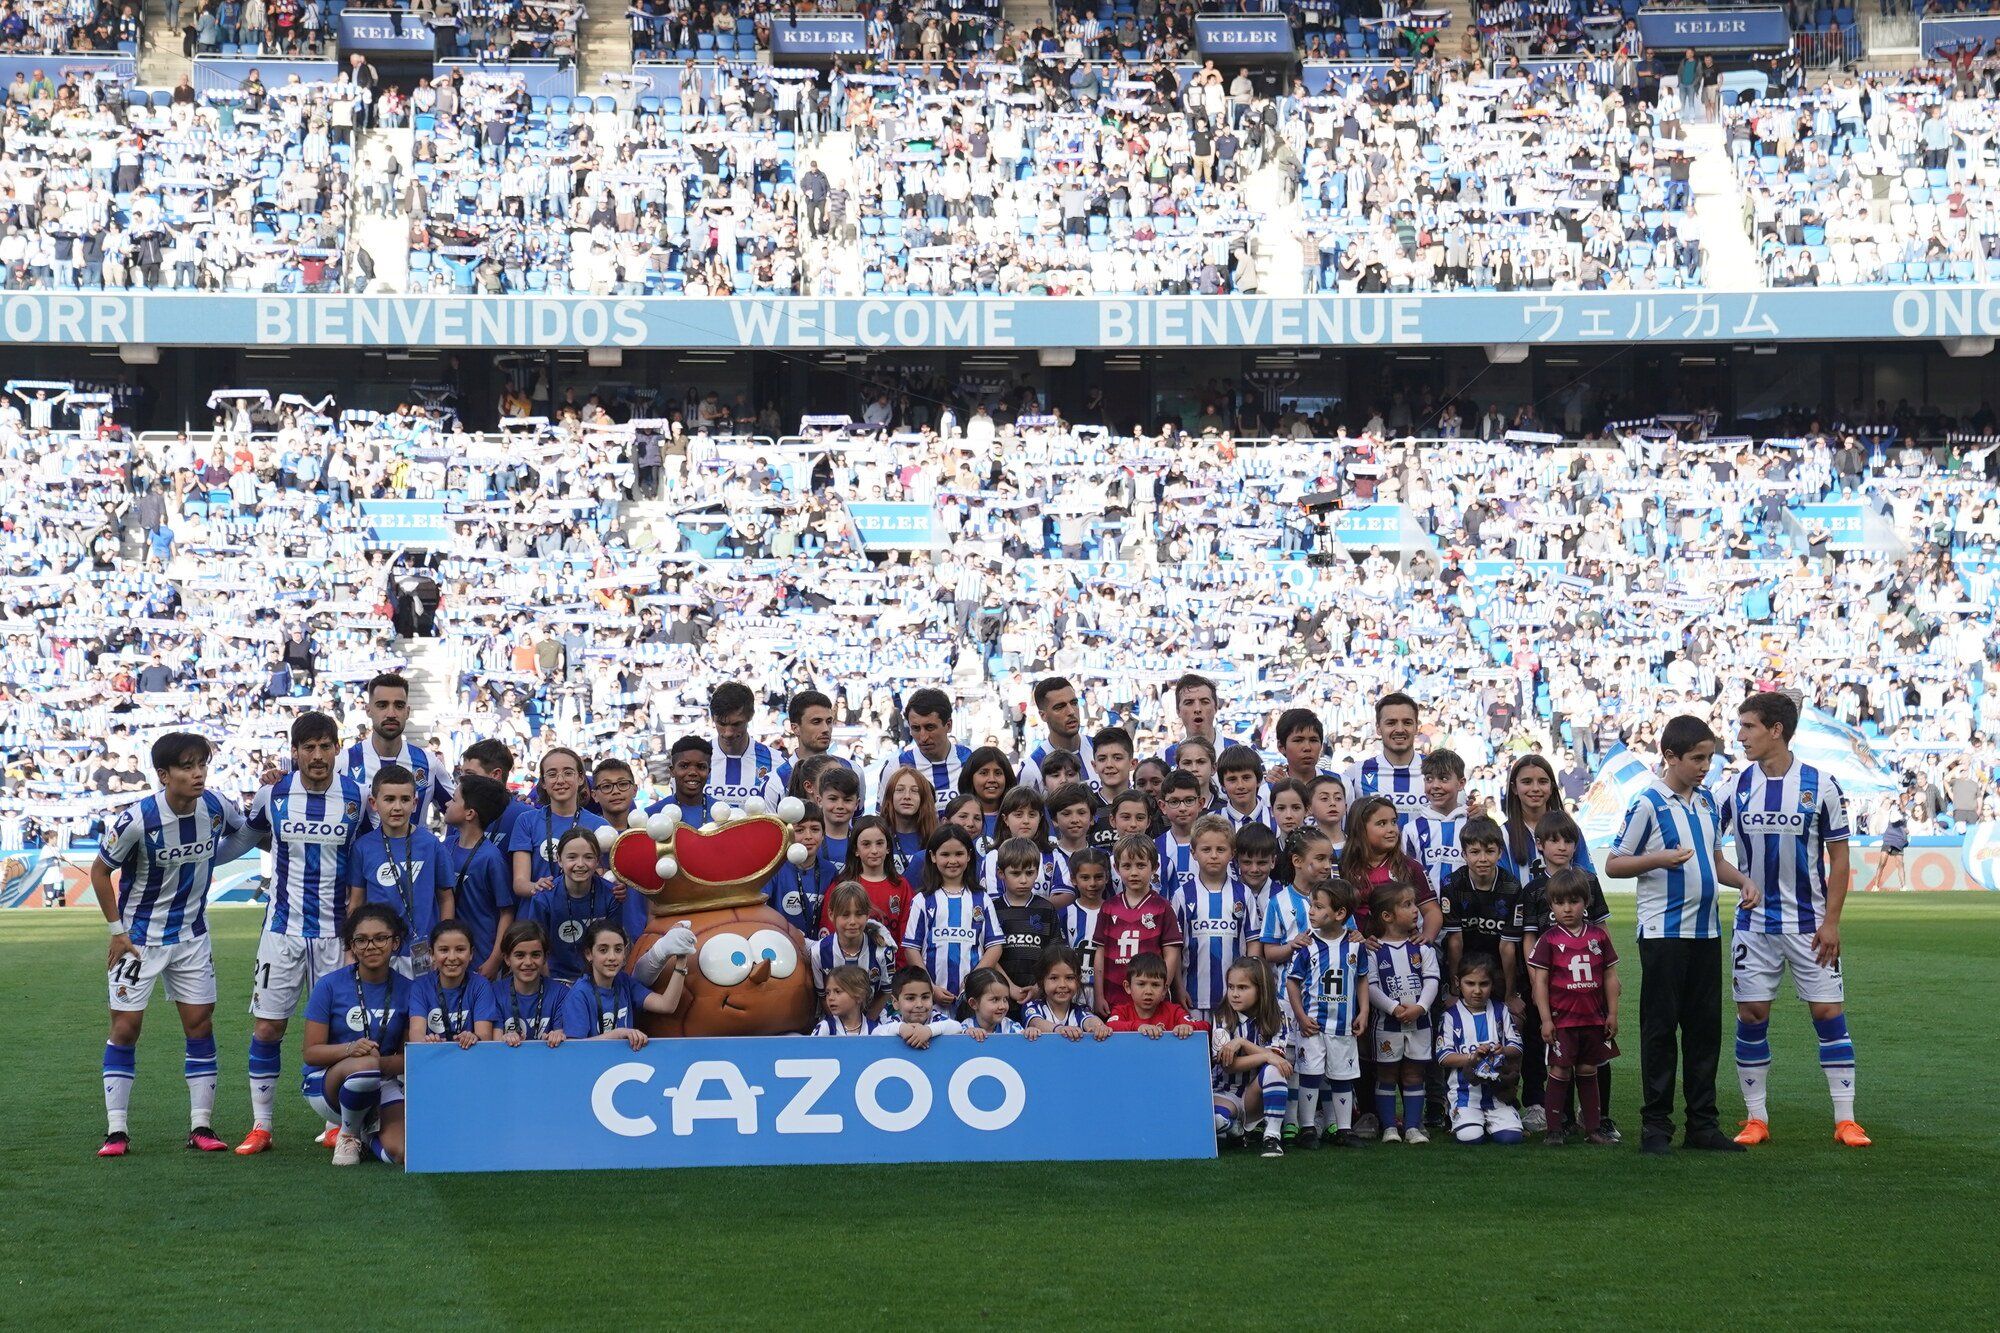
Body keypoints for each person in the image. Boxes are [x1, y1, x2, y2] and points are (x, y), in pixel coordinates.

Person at [93, 731, 257, 1158]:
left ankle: (201, 1127)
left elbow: (246, 835)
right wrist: (117, 931)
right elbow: (99, 872)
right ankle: (116, 1132)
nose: (198, 773)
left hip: (191, 937)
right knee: (125, 1028)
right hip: (138, 942)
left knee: (200, 1025)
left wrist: (209, 859)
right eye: (187, 766)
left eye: (202, 764)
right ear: (164, 775)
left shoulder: (217, 806)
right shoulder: (137, 820)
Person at [1721, 691, 1869, 1148]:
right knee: (1751, 1014)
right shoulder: (1735, 787)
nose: (1740, 735)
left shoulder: (1822, 785)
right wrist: (1740, 880)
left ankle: (1846, 1120)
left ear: (1776, 730)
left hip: (1810, 925)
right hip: (1754, 927)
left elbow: (1840, 859)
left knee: (1828, 1013)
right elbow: (1709, 850)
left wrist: (1832, 921)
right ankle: (1756, 1118)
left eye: (1748, 726)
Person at [1606, 714, 1757, 1156]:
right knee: (1659, 1031)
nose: (1705, 766)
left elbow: (1714, 860)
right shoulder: (1647, 802)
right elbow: (1615, 863)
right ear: (1669, 756)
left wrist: (1742, 881)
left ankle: (1702, 1125)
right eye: (1697, 758)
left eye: (1709, 758)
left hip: (1706, 933)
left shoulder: (1708, 802)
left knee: (1703, 1031)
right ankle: (1655, 1127)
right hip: (1662, 935)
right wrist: (1659, 859)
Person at [301, 903, 411, 1166]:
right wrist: (351, 1050)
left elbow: (410, 1056)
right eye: (360, 940)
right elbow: (311, 1053)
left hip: (380, 1078)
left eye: (380, 938)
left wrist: (376, 1064)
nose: (370, 946)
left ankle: (365, 1134)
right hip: (328, 1084)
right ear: (351, 945)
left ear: (395, 942)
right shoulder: (329, 985)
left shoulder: (409, 989)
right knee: (363, 1067)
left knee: (402, 1154)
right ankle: (348, 1134)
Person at [1528, 870, 1622, 1146]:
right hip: (1563, 1021)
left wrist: (1612, 1013)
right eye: (1560, 903)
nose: (1567, 908)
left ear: (1586, 902)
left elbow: (1609, 975)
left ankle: (1593, 1129)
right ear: (1551, 905)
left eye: (1574, 901)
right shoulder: (1549, 939)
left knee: (1588, 1070)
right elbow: (1541, 982)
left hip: (1593, 1019)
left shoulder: (1598, 937)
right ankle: (1554, 1129)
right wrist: (1545, 1019)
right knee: (1559, 1071)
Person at [1286, 880, 1368, 1149]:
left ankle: (1344, 1130)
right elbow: (1292, 982)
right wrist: (1300, 1016)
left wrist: (1364, 1011)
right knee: (1309, 1074)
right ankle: (1307, 1128)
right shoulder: (1307, 945)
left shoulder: (1356, 945)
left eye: (1318, 906)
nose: (1311, 911)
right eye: (1311, 905)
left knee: (1342, 1077)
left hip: (1343, 1026)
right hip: (1312, 1025)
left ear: (1340, 913)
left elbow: (1362, 979)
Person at [347, 765, 451, 977]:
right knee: (383, 1006)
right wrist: (351, 949)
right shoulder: (363, 848)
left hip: (423, 948)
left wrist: (444, 943)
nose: (397, 807)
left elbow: (446, 898)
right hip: (377, 948)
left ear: (415, 804)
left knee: (421, 1008)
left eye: (404, 799)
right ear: (374, 803)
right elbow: (356, 903)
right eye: (389, 799)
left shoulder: (431, 845)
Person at [1367, 883, 1441, 1145]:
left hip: (1420, 1023)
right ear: (1387, 916)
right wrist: (1393, 1007)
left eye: (1414, 904)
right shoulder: (1373, 950)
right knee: (1386, 1074)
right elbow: (1371, 986)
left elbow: (1432, 981)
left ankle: (1412, 1127)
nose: (1415, 911)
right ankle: (1389, 1127)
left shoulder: (1422, 947)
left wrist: (1420, 1007)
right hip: (1388, 1024)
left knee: (1414, 1075)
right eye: (1407, 905)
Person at [342, 673, 452, 828]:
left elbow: (461, 816)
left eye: (399, 706)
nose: (391, 714)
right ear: (368, 710)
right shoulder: (344, 762)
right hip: (361, 852)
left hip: (415, 852)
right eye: (382, 705)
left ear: (407, 712)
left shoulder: (428, 763)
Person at [1173, 815, 1255, 1019]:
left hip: (1235, 998)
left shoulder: (1243, 894)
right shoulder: (1183, 895)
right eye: (1206, 849)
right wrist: (1178, 987)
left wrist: (1250, 984)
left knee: (1229, 1050)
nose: (1213, 856)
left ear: (1232, 853)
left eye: (1221, 849)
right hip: (1193, 996)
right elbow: (1174, 947)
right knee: (1196, 1050)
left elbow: (1253, 943)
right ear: (1193, 852)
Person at [1437, 956, 1525, 1145]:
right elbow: (1444, 1057)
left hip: (1498, 1092)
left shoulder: (1501, 1011)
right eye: (1470, 983)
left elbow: (1517, 1046)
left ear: (1492, 984)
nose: (1477, 991)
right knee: (1471, 1137)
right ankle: (1460, 1115)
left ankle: (1496, 1118)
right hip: (1464, 1093)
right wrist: (1472, 1057)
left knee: (1510, 1138)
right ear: (1457, 983)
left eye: (1484, 984)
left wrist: (1503, 1051)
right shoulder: (1450, 1016)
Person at [1094, 835, 1185, 1016]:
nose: (1134, 872)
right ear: (1116, 868)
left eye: (1141, 865)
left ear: (1155, 868)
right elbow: (1100, 952)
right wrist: (1098, 995)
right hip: (1114, 999)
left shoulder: (1162, 907)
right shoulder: (1108, 907)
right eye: (1127, 866)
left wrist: (1163, 987)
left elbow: (1171, 952)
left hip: (1151, 1001)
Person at [1212, 956, 1294, 1157]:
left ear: (1261, 989)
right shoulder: (1222, 1015)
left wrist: (1242, 1042)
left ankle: (1272, 1137)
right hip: (1225, 1094)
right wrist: (1267, 1056)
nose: (1234, 994)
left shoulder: (1278, 1012)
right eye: (1231, 987)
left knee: (1275, 1069)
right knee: (1211, 1120)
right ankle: (1232, 1129)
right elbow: (1228, 1066)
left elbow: (1278, 1059)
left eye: (1242, 988)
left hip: (1254, 1096)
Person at [558, 920, 688, 1042]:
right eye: (603, 950)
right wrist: (618, 1034)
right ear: (589, 954)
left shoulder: (624, 982)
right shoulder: (579, 994)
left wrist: (681, 958)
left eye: (618, 949)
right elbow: (574, 1048)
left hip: (623, 1064)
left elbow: (666, 1005)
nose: (612, 957)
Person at [901, 825, 984, 1010]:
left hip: (972, 1000)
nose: (952, 861)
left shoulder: (981, 898)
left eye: (959, 854)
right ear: (932, 856)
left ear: (969, 856)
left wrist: (974, 983)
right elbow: (911, 949)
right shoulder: (922, 900)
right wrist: (930, 987)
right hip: (931, 1000)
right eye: (945, 855)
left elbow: (994, 947)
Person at [440, 774, 514, 981]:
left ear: (470, 813)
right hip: (449, 955)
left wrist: (495, 960)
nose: (447, 802)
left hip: (481, 957)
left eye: (454, 799)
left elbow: (506, 912)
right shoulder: (445, 847)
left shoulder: (491, 857)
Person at [525, 827, 623, 982]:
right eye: (572, 857)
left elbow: (617, 946)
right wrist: (550, 988)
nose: (580, 864)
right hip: (555, 979)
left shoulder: (612, 895)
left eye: (588, 857)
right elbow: (536, 947)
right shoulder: (543, 898)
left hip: (599, 978)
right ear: (559, 860)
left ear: (597, 860)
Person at [510, 747, 606, 900]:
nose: (560, 780)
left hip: (582, 915)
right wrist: (536, 887)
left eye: (568, 773)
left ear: (580, 778)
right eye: (552, 774)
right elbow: (520, 883)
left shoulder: (600, 826)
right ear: (543, 782)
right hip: (536, 918)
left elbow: (603, 879)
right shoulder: (526, 821)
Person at [978, 836, 1063, 1003]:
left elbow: (1055, 955)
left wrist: (1040, 987)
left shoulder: (1046, 908)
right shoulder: (992, 908)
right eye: (1016, 873)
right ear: (1001, 873)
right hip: (999, 996)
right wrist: (1009, 987)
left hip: (1038, 995)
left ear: (1037, 872)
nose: (1023, 880)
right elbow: (987, 954)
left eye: (1029, 873)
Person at [406, 920, 499, 1048]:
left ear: (471, 953)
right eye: (444, 950)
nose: (452, 957)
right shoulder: (420, 986)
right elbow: (416, 1033)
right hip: (433, 1059)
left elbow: (485, 1035)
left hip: (469, 1059)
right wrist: (426, 1042)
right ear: (432, 954)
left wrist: (474, 1037)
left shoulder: (481, 985)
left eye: (460, 949)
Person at [811, 880, 898, 1017]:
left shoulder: (883, 950)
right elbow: (822, 996)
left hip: (873, 1023)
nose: (852, 922)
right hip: (835, 1025)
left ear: (868, 915)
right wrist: (839, 1027)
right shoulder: (819, 952)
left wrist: (866, 1026)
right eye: (845, 915)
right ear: (831, 914)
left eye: (859, 914)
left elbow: (886, 992)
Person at [1344, 691, 1426, 827]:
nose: (1400, 729)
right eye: (1391, 723)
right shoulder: (1355, 774)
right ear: (1378, 728)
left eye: (1407, 722)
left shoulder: (1438, 771)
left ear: (1416, 727)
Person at [832, 814, 916, 941]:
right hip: (848, 960)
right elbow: (830, 930)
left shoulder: (901, 886)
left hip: (891, 960)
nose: (874, 850)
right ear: (856, 849)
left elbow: (907, 935)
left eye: (879, 843)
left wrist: (901, 961)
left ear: (888, 847)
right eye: (866, 844)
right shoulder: (842, 885)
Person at [1402, 749, 1468, 906]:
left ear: (1461, 783)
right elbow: (1407, 879)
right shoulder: (1412, 830)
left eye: (1444, 779)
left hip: (1469, 920)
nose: (1435, 786)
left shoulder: (1473, 824)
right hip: (1425, 921)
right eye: (1429, 779)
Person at [889, 687, 971, 811]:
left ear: (948, 725)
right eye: (916, 728)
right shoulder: (895, 767)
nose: (923, 737)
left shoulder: (971, 760)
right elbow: (884, 821)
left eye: (930, 727)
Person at [492, 921, 567, 1045]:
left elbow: (561, 1036)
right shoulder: (494, 992)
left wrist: (556, 1037)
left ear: (545, 958)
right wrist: (504, 1040)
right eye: (520, 955)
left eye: (535, 955)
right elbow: (494, 1043)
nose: (528, 962)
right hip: (508, 1061)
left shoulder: (561, 993)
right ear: (507, 959)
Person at [705, 680, 776, 807]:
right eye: (721, 723)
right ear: (712, 719)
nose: (728, 733)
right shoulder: (693, 761)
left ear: (751, 716)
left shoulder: (777, 764)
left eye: (736, 724)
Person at [1104, 952, 1207, 1038]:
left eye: (1155, 985)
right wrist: (1138, 1027)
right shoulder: (1122, 1011)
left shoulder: (1174, 1011)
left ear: (1164, 989)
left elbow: (1205, 1025)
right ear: (1128, 987)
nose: (1148, 991)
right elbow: (1110, 1025)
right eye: (1141, 984)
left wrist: (1187, 1027)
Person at [1021, 675, 1096, 792]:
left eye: (1074, 703)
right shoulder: (1032, 769)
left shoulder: (1100, 750)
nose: (1071, 711)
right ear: (1043, 715)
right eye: (1059, 707)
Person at [1025, 946, 1111, 1040]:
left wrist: (1099, 1027)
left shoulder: (1080, 1010)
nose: (1062, 985)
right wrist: (1060, 1029)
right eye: (1054, 978)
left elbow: (1090, 1020)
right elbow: (1037, 1023)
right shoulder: (1032, 1006)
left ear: (1078, 980)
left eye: (1069, 978)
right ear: (1041, 981)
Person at [873, 965, 965, 1045]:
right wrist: (901, 1028)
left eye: (925, 997)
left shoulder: (936, 1018)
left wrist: (929, 1031)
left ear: (932, 997)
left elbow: (957, 1027)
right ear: (895, 1002)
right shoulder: (895, 1022)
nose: (919, 1004)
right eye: (910, 998)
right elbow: (875, 1033)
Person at [959, 968, 1028, 1039]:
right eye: (995, 999)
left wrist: (1030, 1033)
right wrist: (967, 1035)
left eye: (1005, 999)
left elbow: (1025, 1042)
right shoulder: (965, 1028)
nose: (1002, 1006)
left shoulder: (1010, 1026)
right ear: (973, 1003)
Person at [812, 964, 875, 1036]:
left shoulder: (875, 1030)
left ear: (859, 996)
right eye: (828, 993)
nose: (830, 998)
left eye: (838, 991)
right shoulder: (825, 1028)